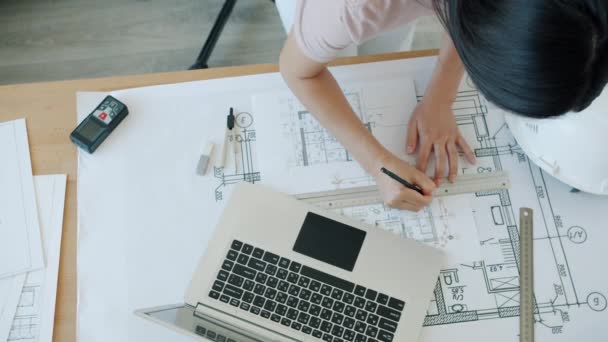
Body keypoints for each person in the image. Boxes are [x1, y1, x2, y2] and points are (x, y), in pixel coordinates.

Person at [279, 0, 608, 211]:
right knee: (348, 47)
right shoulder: (353, 6)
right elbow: (298, 72)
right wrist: (376, 162)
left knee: (387, 44)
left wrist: (441, 95)